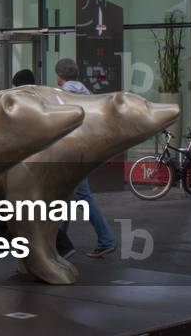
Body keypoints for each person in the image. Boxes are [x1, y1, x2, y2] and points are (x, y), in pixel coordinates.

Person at [54, 58, 116, 259]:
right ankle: (59, 242)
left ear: (59, 76)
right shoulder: (87, 93)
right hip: (86, 150)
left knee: (82, 196)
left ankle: (106, 239)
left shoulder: (63, 94)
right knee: (66, 196)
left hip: (70, 152)